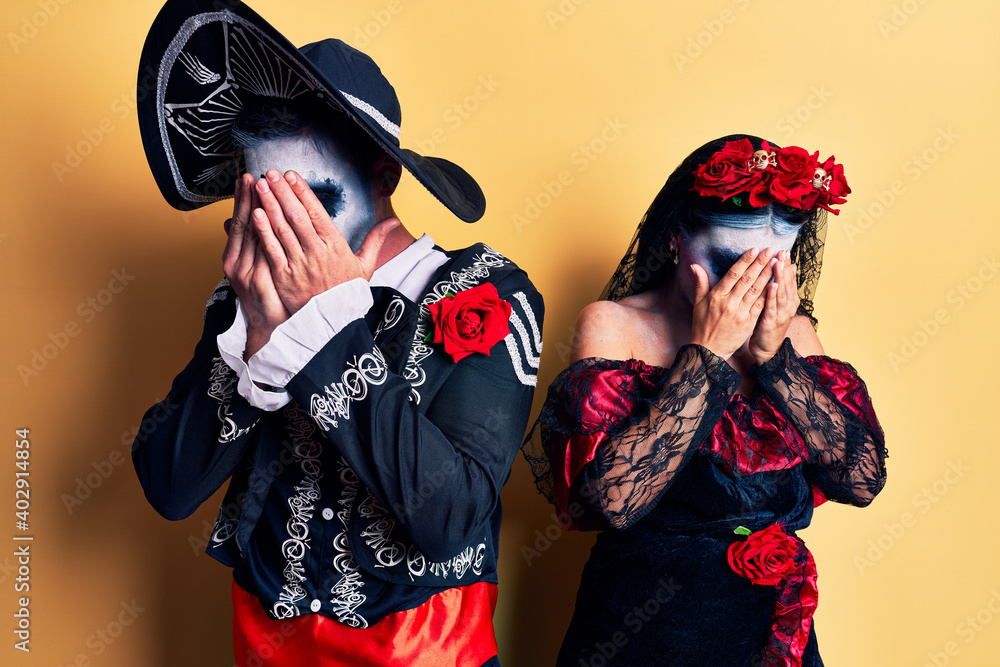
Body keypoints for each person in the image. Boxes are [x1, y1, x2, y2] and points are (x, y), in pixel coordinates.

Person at [131, 1, 543, 665]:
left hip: (424, 651)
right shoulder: (243, 295)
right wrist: (254, 342)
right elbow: (169, 488)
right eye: (264, 203)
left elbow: (449, 517)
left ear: (384, 178)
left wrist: (327, 325)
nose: (283, 232)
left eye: (313, 202)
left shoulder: (487, 292)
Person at [522, 134, 886, 666]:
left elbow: (861, 480)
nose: (749, 289)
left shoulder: (796, 335)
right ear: (675, 238)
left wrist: (775, 363)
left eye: (771, 269)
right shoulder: (614, 325)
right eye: (727, 262)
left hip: (769, 631)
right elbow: (609, 503)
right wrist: (707, 357)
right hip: (639, 632)